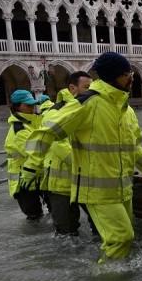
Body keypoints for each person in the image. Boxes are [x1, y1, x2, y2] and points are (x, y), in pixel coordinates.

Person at [21, 52, 142, 263]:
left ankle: (115, 279)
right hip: (97, 191)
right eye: (128, 73)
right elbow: (46, 132)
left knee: (124, 239)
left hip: (123, 188)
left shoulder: (125, 109)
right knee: (120, 239)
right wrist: (31, 167)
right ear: (115, 76)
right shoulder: (87, 103)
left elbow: (133, 149)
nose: (132, 77)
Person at [40, 71, 96, 236]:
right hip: (62, 183)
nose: (90, 91)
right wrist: (85, 164)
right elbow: (58, 143)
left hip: (85, 180)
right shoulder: (54, 112)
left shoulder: (89, 107)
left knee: (99, 223)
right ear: (72, 88)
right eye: (86, 87)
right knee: (66, 229)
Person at [4, 90, 45, 219]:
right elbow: (36, 152)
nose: (32, 108)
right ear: (16, 107)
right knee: (34, 217)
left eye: (33, 105)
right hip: (24, 182)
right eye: (28, 105)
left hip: (35, 178)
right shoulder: (20, 129)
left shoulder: (30, 124)